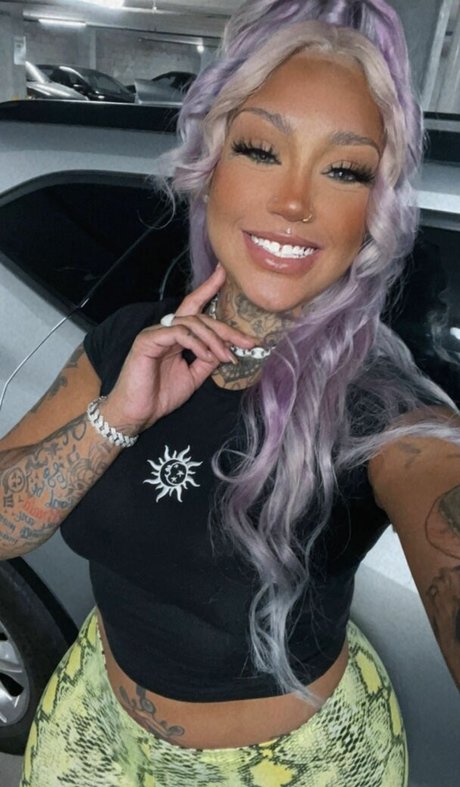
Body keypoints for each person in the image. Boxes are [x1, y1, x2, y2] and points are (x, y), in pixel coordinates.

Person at [1, 1, 458, 785]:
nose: (295, 202)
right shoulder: (128, 338)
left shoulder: (384, 411)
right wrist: (116, 417)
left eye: (344, 169)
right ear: (210, 166)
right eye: (261, 150)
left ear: (373, 212)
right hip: (95, 729)